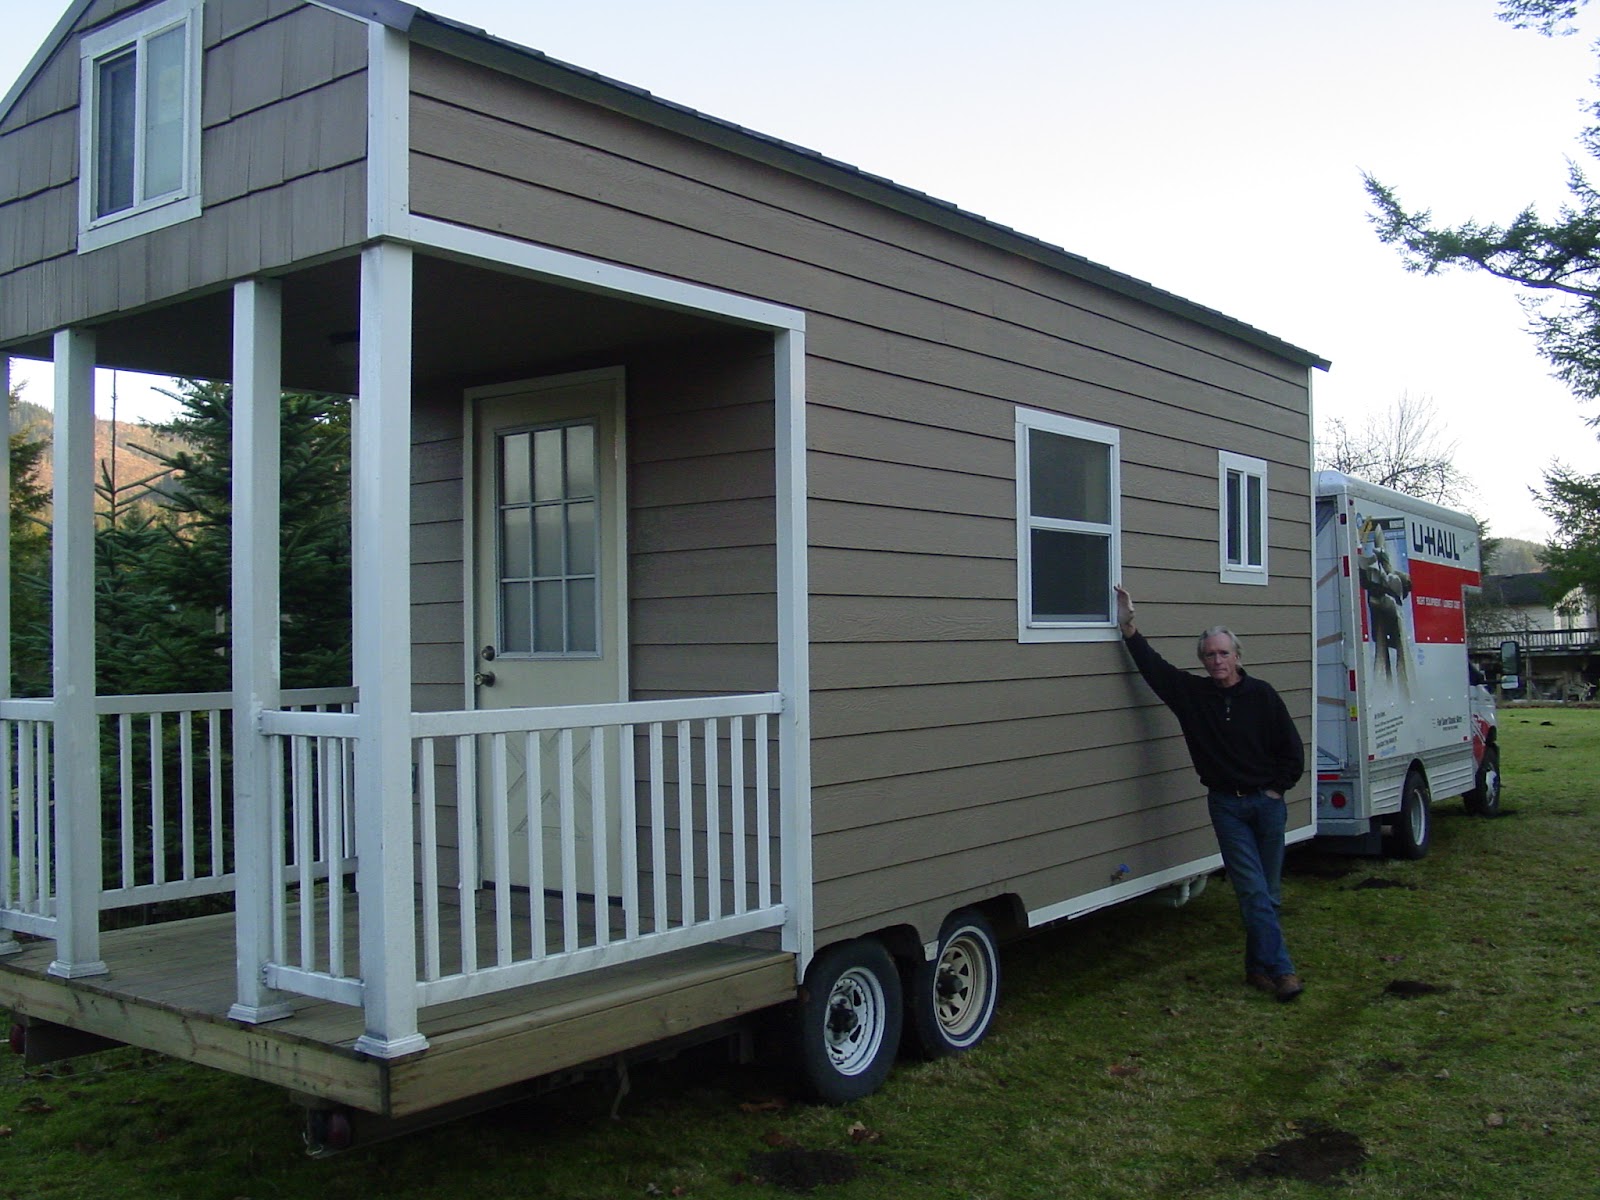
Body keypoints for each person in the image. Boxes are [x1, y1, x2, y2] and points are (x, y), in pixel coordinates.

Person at [1114, 585, 1305, 1002]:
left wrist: (1276, 790)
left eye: (1223, 653)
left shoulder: (1263, 696)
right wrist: (1128, 626)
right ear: (1202, 661)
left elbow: (1292, 751)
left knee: (1267, 892)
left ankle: (1257, 967)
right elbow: (1153, 668)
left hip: (1268, 805)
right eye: (1209, 655)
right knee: (1253, 891)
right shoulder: (1192, 696)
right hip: (1227, 806)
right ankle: (1283, 971)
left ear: (1237, 656)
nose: (1217, 661)